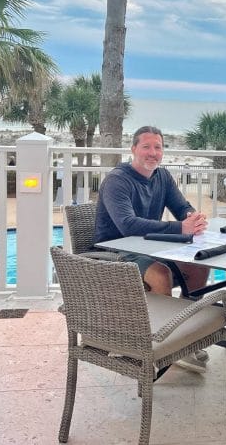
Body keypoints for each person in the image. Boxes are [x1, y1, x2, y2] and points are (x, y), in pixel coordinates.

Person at [93, 125, 211, 373]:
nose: (152, 153)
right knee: (160, 274)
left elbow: (181, 207)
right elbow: (127, 225)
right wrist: (180, 228)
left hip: (149, 247)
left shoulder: (162, 176)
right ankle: (163, 343)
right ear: (133, 149)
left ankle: (181, 333)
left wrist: (192, 217)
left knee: (199, 266)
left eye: (158, 147)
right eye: (146, 146)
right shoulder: (118, 180)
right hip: (115, 251)